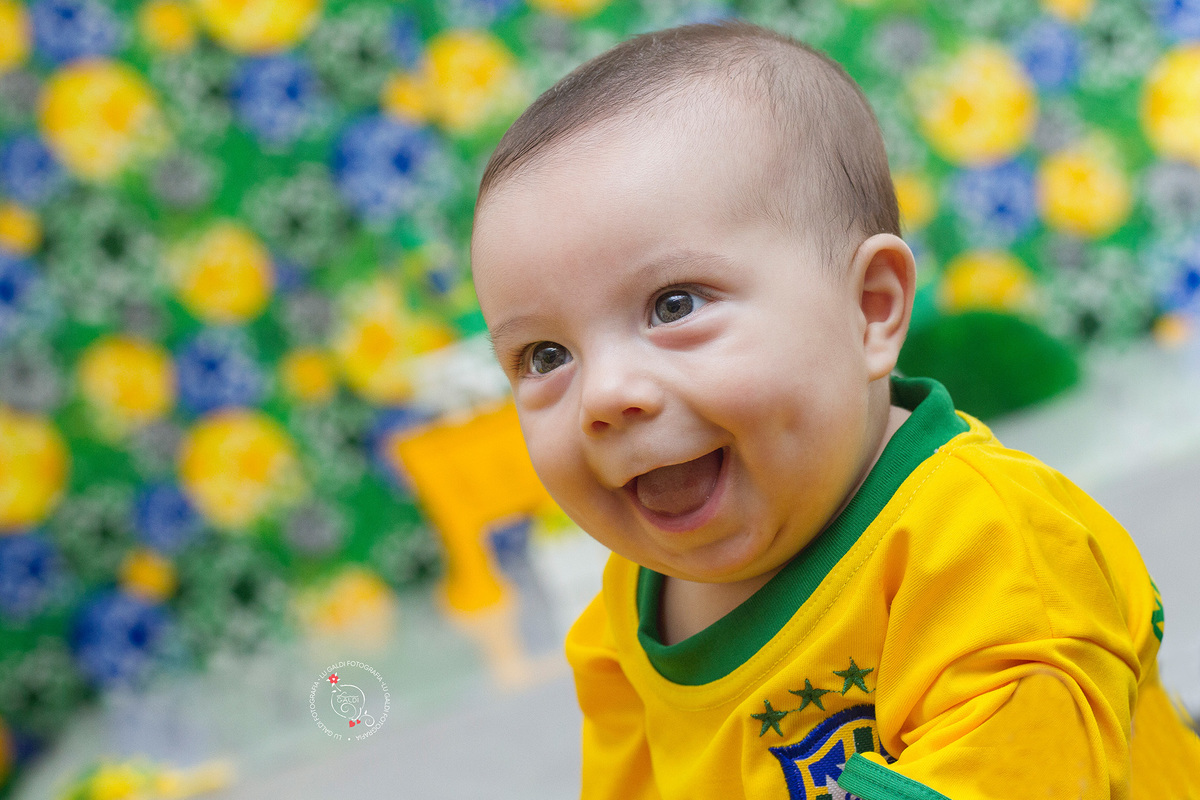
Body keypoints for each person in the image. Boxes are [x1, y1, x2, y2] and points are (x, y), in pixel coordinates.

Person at [469, 20, 1200, 800]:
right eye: (545, 356)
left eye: (673, 305)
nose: (606, 397)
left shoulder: (990, 542)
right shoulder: (620, 626)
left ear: (870, 309)